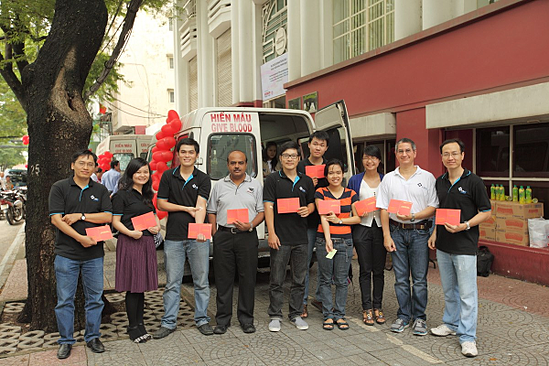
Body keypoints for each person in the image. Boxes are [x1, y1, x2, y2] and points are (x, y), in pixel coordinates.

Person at [428, 139, 491, 358]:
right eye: (446, 154)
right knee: (449, 290)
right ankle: (451, 323)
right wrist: (435, 233)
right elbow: (439, 210)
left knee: (467, 294)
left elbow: (486, 211)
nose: (450, 157)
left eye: (454, 153)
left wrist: (465, 225)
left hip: (465, 245)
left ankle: (468, 337)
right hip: (444, 246)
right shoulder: (440, 181)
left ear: (463, 155)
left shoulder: (473, 181)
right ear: (442, 157)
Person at [48, 149, 113, 360]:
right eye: (82, 163)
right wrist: (80, 238)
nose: (86, 167)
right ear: (72, 165)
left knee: (94, 298)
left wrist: (81, 216)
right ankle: (66, 341)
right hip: (67, 254)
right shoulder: (60, 188)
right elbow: (56, 220)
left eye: (90, 164)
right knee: (65, 300)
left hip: (94, 255)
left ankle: (93, 336)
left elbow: (108, 216)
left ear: (95, 167)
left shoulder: (100, 189)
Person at [377, 138, 438, 336]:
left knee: (419, 279)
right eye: (400, 151)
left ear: (415, 152)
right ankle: (403, 315)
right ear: (396, 154)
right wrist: (386, 235)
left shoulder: (427, 177)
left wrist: (413, 216)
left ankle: (419, 317)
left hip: (420, 232)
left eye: (407, 151)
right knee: (401, 279)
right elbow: (383, 209)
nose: (404, 154)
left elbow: (432, 207)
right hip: (396, 232)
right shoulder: (388, 178)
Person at [153, 137, 213, 338]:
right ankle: (168, 322)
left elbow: (201, 205)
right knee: (172, 282)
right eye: (183, 152)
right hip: (174, 238)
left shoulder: (203, 178)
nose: (187, 155)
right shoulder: (169, 176)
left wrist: (199, 231)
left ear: (197, 155)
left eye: (191, 152)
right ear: (177, 154)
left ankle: (202, 319)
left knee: (201, 280)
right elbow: (161, 204)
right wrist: (183, 208)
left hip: (197, 237)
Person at [207, 150, 265, 335]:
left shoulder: (255, 185)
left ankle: (246, 319)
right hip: (223, 236)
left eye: (240, 163)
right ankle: (222, 320)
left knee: (247, 278)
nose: (237, 166)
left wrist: (250, 225)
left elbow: (262, 211)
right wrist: (215, 233)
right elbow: (211, 210)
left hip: (247, 236)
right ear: (228, 165)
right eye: (233, 163)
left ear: (246, 164)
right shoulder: (218, 186)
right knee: (223, 280)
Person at [263, 141, 315, 332]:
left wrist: (308, 209)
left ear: (298, 159)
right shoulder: (273, 180)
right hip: (280, 238)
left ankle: (295, 314)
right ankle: (275, 315)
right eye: (286, 156)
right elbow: (268, 207)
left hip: (301, 238)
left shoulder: (306, 181)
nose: (290, 159)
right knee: (276, 279)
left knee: (299, 279)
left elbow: (312, 204)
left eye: (293, 156)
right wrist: (271, 233)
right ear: (281, 158)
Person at [111, 158, 161, 343]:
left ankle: (141, 325)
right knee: (133, 287)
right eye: (138, 172)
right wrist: (131, 233)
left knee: (141, 287)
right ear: (131, 173)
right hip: (131, 243)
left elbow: (153, 217)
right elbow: (115, 222)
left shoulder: (147, 195)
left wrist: (157, 227)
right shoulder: (121, 195)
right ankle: (133, 327)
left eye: (146, 172)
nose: (142, 175)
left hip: (146, 243)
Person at [315, 159, 360, 330]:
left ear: (343, 174)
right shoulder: (321, 192)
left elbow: (357, 218)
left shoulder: (351, 194)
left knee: (341, 280)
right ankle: (328, 314)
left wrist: (340, 221)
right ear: (326, 176)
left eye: (338, 172)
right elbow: (323, 217)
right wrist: (328, 239)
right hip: (324, 241)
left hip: (345, 242)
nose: (335, 176)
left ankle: (340, 314)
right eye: (331, 172)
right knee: (325, 279)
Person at [347, 145, 387, 326]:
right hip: (361, 228)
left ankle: (378, 306)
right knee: (365, 269)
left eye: (373, 158)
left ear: (379, 160)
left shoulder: (386, 180)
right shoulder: (355, 180)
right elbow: (349, 203)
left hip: (380, 227)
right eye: (366, 157)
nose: (369, 161)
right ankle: (366, 308)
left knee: (378, 270)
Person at [296, 131, 329, 318]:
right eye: (315, 143)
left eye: (322, 145)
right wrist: (309, 183)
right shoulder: (300, 166)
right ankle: (302, 303)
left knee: (326, 263)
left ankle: (321, 298)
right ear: (309, 145)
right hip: (307, 223)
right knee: (304, 263)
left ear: (326, 148)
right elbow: (294, 193)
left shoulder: (330, 166)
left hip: (327, 223)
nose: (318, 147)